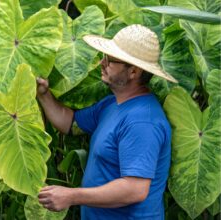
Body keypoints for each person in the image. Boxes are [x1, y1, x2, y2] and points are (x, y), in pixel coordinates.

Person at [37, 24, 178, 219]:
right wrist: (43, 94)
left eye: (110, 60)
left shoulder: (143, 121)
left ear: (133, 72)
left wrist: (71, 196)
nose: (102, 63)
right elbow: (70, 123)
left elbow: (135, 189)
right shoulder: (112, 104)